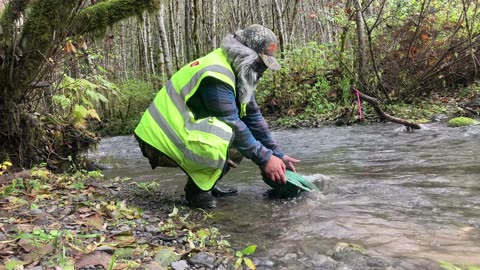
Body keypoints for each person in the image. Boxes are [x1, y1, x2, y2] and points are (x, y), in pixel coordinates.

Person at [134, 24, 300, 208]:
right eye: (261, 63)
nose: (263, 70)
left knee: (241, 140)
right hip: (158, 140)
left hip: (176, 134)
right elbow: (232, 123)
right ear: (246, 55)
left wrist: (277, 154)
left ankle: (208, 183)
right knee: (230, 136)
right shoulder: (216, 73)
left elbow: (253, 117)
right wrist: (265, 159)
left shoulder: (238, 73)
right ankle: (197, 191)